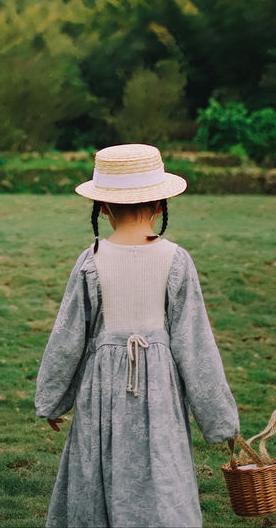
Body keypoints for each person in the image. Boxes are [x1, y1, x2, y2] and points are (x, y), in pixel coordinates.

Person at [35, 143, 239, 528]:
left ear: (104, 208)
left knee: (98, 465)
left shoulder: (91, 259)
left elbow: (67, 337)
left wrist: (52, 398)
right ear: (161, 204)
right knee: (161, 466)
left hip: (101, 390)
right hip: (159, 388)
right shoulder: (177, 260)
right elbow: (195, 345)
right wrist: (222, 421)